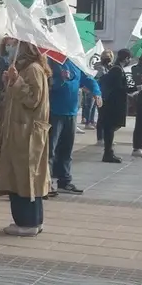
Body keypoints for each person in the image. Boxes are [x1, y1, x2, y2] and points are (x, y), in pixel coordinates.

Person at [0, 42, 52, 236]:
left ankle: (28, 222)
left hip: (27, 133)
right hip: (20, 132)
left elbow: (32, 99)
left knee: (26, 177)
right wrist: (10, 82)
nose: (12, 48)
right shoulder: (26, 69)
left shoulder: (33, 69)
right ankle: (31, 221)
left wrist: (17, 81)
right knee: (22, 177)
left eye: (15, 44)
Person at [47, 54, 101, 195]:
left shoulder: (75, 62)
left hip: (71, 112)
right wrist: (60, 80)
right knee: (50, 150)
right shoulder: (51, 61)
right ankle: (46, 181)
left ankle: (64, 181)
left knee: (66, 149)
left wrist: (96, 92)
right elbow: (46, 84)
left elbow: (87, 78)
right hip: (54, 112)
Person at [98, 49, 132, 163]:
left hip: (111, 102)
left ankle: (109, 152)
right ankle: (108, 153)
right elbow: (119, 88)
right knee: (110, 128)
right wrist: (135, 89)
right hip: (113, 104)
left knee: (111, 128)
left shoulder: (116, 68)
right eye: (129, 58)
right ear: (126, 58)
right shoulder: (117, 70)